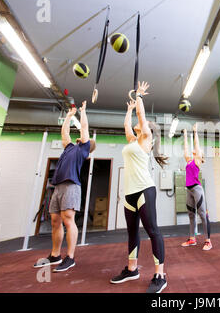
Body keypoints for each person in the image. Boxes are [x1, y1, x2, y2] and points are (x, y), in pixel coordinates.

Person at [110, 81, 169, 293]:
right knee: (132, 232)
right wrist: (128, 110)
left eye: (143, 123)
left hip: (145, 190)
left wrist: (140, 97)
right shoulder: (132, 140)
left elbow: (142, 118)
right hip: (129, 193)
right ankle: (132, 269)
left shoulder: (145, 139)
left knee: (152, 231)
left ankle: (160, 275)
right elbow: (127, 126)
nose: (139, 123)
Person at [33, 100, 96, 272]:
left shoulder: (83, 149)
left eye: (84, 139)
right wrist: (68, 116)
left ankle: (70, 257)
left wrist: (82, 112)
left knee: (68, 220)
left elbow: (84, 128)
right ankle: (55, 255)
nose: (80, 138)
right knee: (55, 221)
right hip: (58, 186)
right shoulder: (69, 147)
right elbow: (64, 133)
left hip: (71, 186)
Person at [180, 123, 212, 251]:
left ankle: (208, 241)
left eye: (198, 151)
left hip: (197, 189)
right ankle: (192, 239)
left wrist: (195, 132)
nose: (196, 150)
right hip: (189, 189)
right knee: (191, 215)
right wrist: (186, 135)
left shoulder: (197, 160)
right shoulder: (188, 160)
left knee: (203, 214)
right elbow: (186, 149)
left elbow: (197, 146)